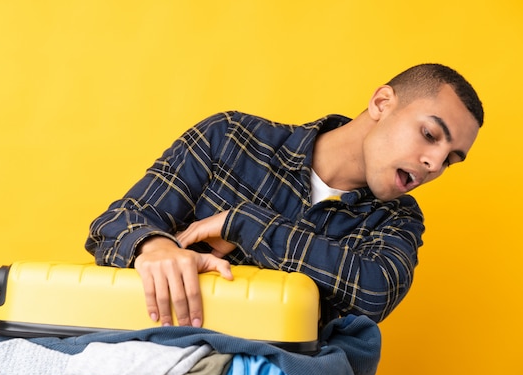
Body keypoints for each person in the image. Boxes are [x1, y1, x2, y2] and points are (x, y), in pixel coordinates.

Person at [85, 63, 484, 329]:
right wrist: (153, 247)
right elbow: (116, 223)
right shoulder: (231, 138)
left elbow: (375, 291)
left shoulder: (398, 219)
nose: (434, 163)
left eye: (451, 159)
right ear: (382, 103)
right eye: (430, 135)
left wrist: (242, 223)